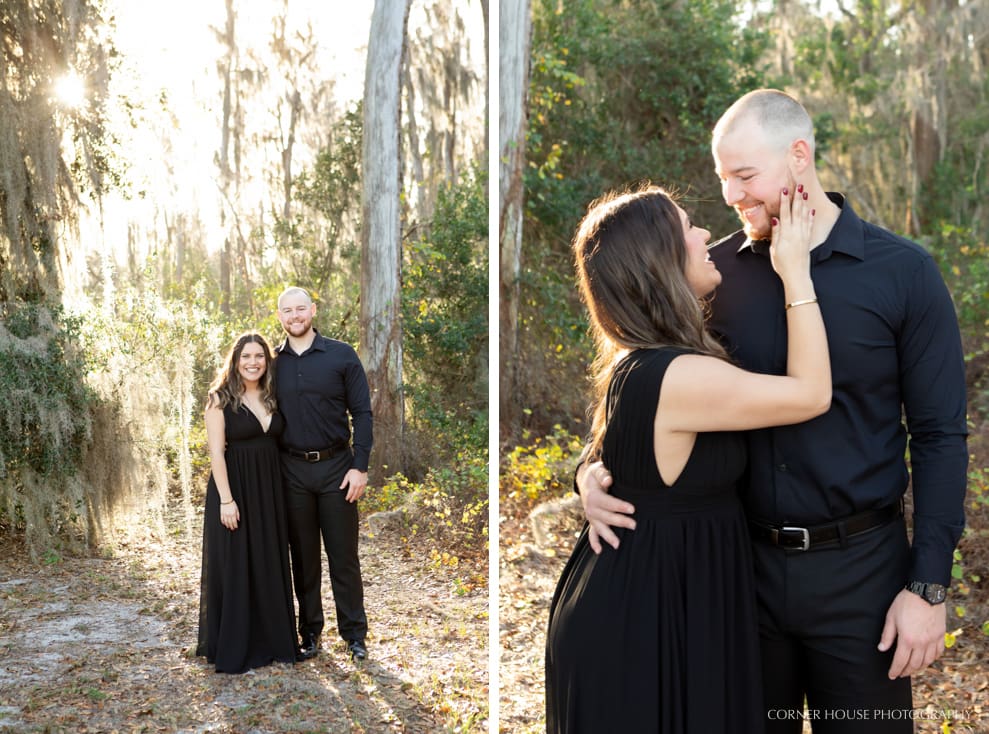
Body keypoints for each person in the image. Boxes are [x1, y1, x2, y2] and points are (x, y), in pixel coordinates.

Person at [577, 89, 968, 733]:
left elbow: (939, 437)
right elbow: (642, 381)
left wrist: (928, 587)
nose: (730, 194)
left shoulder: (903, 274)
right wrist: (593, 471)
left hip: (863, 580)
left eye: (745, 175)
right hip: (735, 580)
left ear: (798, 156)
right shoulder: (712, 276)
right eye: (722, 177)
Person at [546, 182, 828, 732]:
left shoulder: (641, 360)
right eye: (687, 229)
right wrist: (796, 273)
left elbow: (607, 455)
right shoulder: (679, 374)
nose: (705, 235)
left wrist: (586, 477)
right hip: (643, 622)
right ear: (660, 262)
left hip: (652, 602)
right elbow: (812, 394)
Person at [273, 286, 373, 662]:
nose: (295, 316)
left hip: (337, 470)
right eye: (288, 311)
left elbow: (362, 413)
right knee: (303, 558)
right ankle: (310, 634)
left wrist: (359, 466)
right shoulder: (271, 361)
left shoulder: (341, 356)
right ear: (279, 315)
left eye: (301, 309)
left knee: (343, 557)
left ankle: (354, 635)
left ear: (313, 310)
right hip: (291, 472)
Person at [196, 332, 298, 674]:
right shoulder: (219, 399)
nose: (253, 362)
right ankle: (237, 646)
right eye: (246, 357)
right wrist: (227, 500)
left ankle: (274, 642)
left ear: (266, 362)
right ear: (235, 361)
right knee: (238, 564)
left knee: (268, 560)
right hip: (234, 489)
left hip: (269, 491)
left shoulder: (272, 396)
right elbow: (216, 453)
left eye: (259, 356)